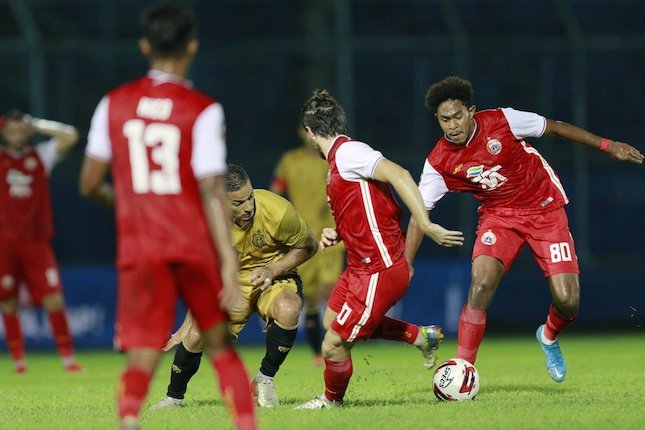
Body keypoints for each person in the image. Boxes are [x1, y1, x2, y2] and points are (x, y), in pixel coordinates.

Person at [79, 4, 256, 429]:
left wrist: (128, 205)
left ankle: (127, 419)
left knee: (142, 350)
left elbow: (88, 183)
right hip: (191, 243)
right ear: (191, 46)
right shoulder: (202, 109)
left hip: (141, 246)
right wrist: (229, 261)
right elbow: (212, 189)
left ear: (144, 45)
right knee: (217, 345)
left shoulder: (113, 104)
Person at [405, 76, 644, 383]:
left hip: (544, 208)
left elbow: (554, 126)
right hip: (499, 217)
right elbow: (418, 215)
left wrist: (608, 145)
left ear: (472, 111)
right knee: (480, 284)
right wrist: (407, 263)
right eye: (444, 120)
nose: (452, 125)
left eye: (458, 116)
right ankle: (463, 370)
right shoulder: (439, 162)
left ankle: (547, 335)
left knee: (568, 300)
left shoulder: (503, 120)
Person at [296, 90, 465, 409]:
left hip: (379, 269)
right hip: (360, 267)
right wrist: (340, 232)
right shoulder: (338, 160)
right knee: (331, 320)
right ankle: (420, 336)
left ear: (310, 133)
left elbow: (398, 173)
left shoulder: (350, 153)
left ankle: (331, 402)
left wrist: (425, 224)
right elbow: (372, 212)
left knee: (332, 346)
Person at [152, 164, 318, 409]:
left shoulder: (278, 210)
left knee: (289, 308)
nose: (248, 206)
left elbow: (309, 246)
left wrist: (274, 269)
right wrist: (188, 322)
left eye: (249, 197)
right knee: (196, 335)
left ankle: (264, 378)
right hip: (231, 281)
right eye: (238, 203)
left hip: (273, 275)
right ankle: (174, 397)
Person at [0, 109, 82, 374]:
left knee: (53, 299)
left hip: (37, 241)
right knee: (8, 301)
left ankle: (68, 360)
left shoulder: (41, 156)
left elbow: (70, 135)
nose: (18, 134)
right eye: (12, 129)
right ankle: (19, 361)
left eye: (21, 129)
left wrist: (36, 124)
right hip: (5, 242)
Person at [270, 126, 345, 366]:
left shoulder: (332, 160)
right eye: (305, 130)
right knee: (311, 299)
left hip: (330, 235)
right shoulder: (289, 161)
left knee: (330, 288)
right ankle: (317, 353)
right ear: (302, 134)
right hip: (302, 239)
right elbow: (277, 191)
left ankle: (338, 345)